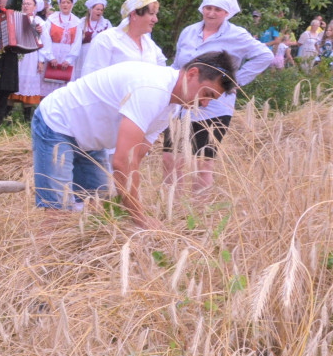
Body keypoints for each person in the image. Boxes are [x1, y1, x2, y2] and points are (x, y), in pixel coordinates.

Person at [32, 52, 235, 229]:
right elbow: (122, 162)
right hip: (58, 123)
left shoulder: (171, 107)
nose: (205, 103)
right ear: (192, 74)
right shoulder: (152, 89)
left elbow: (135, 156)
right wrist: (139, 217)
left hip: (93, 141)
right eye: (207, 94)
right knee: (57, 212)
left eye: (212, 100)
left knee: (98, 207)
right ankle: (46, 268)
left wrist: (130, 206)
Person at [162, 0, 274, 192]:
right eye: (208, 8)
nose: (211, 13)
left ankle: (200, 213)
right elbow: (178, 65)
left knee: (202, 163)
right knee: (171, 158)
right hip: (182, 105)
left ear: (227, 13)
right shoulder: (188, 32)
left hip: (214, 109)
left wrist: (232, 82)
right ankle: (172, 209)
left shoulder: (237, 35)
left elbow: (265, 56)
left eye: (218, 10)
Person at [81, 0, 167, 77]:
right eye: (151, 14)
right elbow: (91, 77)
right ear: (134, 14)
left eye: (156, 14)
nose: (155, 19)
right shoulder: (107, 40)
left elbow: (163, 74)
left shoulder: (150, 44)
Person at [9, 0, 48, 117]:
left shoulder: (39, 23)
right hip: (16, 56)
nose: (25, 6)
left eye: (29, 4)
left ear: (35, 7)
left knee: (28, 85)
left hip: (31, 57)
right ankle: (7, 115)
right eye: (24, 3)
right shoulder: (16, 18)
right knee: (13, 82)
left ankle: (26, 117)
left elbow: (45, 43)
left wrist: (41, 60)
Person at [39, 0, 82, 96]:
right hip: (52, 51)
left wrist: (69, 59)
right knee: (48, 83)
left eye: (68, 2)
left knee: (64, 86)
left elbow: (77, 42)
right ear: (59, 4)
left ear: (72, 4)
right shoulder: (52, 19)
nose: (65, 5)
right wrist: (50, 56)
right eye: (63, 2)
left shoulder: (77, 22)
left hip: (67, 55)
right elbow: (45, 38)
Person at [74, 0, 111, 78]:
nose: (100, 12)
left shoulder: (106, 24)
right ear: (91, 10)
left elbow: (110, 39)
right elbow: (76, 41)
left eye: (101, 10)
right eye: (97, 9)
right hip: (83, 54)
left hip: (99, 55)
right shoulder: (82, 22)